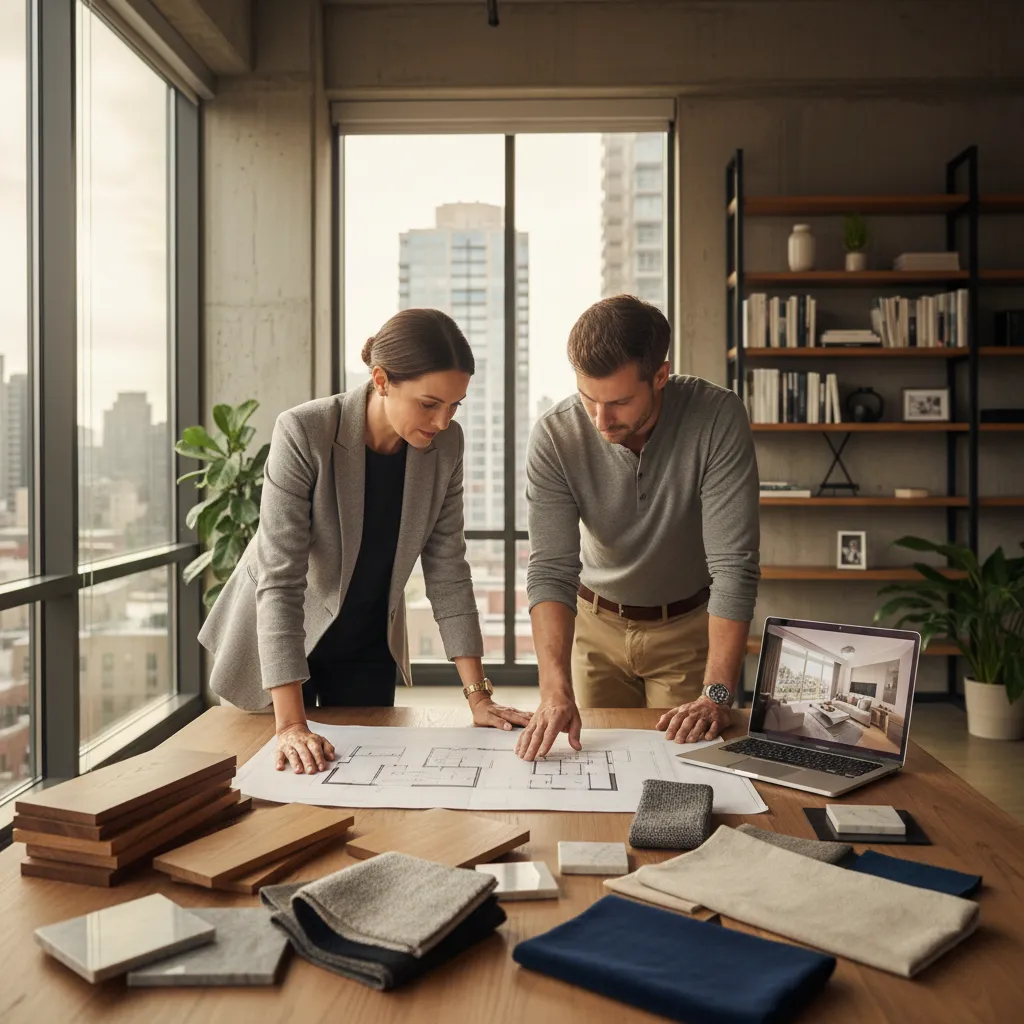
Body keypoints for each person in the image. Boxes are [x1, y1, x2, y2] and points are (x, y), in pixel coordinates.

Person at [200, 309, 530, 774]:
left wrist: (478, 696)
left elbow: (448, 569)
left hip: (366, 644)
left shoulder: (446, 447)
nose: (441, 421)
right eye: (429, 403)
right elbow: (280, 580)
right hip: (278, 642)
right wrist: (291, 725)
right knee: (274, 793)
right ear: (381, 380)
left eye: (455, 406)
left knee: (366, 788)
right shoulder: (305, 431)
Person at [516, 295, 760, 761]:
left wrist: (719, 694)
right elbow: (550, 569)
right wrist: (553, 689)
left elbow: (735, 566)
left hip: (686, 631)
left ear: (661, 375)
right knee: (589, 770)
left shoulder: (717, 418)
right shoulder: (555, 434)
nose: (601, 420)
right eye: (589, 399)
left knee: (680, 771)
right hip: (594, 628)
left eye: (620, 402)